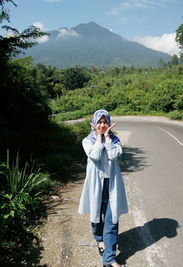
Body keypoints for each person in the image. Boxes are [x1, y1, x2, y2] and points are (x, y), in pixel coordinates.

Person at [78, 109, 128, 267]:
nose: (102, 125)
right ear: (94, 124)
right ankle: (99, 239)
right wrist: (99, 137)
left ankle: (109, 259)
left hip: (112, 184)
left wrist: (107, 137)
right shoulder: (87, 141)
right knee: (96, 215)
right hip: (95, 184)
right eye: (99, 122)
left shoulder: (115, 140)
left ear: (109, 123)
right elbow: (95, 155)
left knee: (111, 220)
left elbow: (113, 155)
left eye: (105, 121)